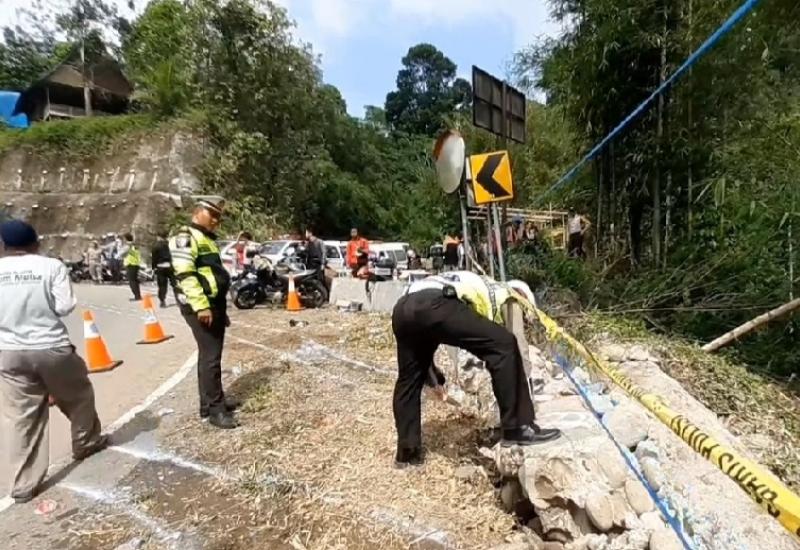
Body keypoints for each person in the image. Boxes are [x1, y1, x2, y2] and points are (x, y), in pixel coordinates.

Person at [391, 270, 561, 467]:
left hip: (403, 308)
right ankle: (517, 427)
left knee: (408, 379)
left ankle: (407, 453)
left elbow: (425, 322)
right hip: (437, 304)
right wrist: (523, 390)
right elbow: (514, 346)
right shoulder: (508, 294)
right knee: (504, 344)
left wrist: (430, 371)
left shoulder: (469, 280)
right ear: (522, 295)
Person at [0, 220, 108, 503]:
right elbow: (64, 306)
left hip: (9, 353)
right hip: (50, 346)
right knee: (79, 394)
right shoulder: (50, 266)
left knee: (21, 418)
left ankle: (23, 484)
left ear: (4, 246)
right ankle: (85, 442)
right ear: (35, 242)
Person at [170, 197, 238, 429]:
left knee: (208, 355)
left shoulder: (205, 238)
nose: (216, 221)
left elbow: (211, 273)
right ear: (198, 212)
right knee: (211, 357)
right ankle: (215, 411)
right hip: (200, 306)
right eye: (213, 215)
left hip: (212, 304)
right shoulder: (185, 237)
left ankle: (208, 402)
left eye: (219, 217)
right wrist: (201, 306)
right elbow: (185, 274)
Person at [151, 230, 174, 308]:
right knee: (175, 284)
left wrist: (153, 268)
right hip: (171, 266)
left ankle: (162, 301)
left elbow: (154, 258)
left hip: (160, 267)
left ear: (158, 237)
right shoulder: (171, 244)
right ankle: (180, 300)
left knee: (162, 285)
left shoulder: (156, 246)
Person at [121, 233, 141, 301]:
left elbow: (123, 253)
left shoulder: (128, 245)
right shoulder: (135, 245)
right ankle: (138, 295)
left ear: (125, 239)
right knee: (135, 281)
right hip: (136, 264)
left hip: (130, 264)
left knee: (132, 281)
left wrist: (121, 255)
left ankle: (137, 296)